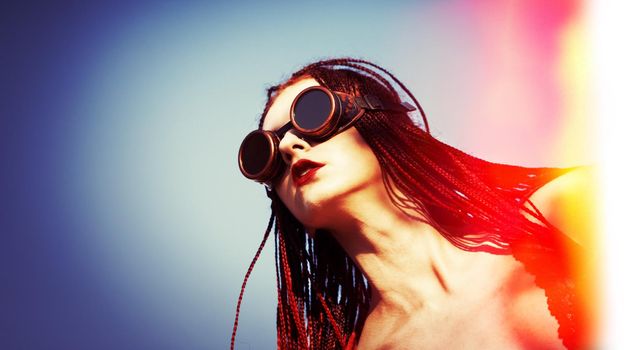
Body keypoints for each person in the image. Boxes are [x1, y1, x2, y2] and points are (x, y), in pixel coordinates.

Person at [231, 58, 599, 349]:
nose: (288, 147)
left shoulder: (562, 208)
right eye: (265, 155)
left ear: (380, 122)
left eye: (310, 114)